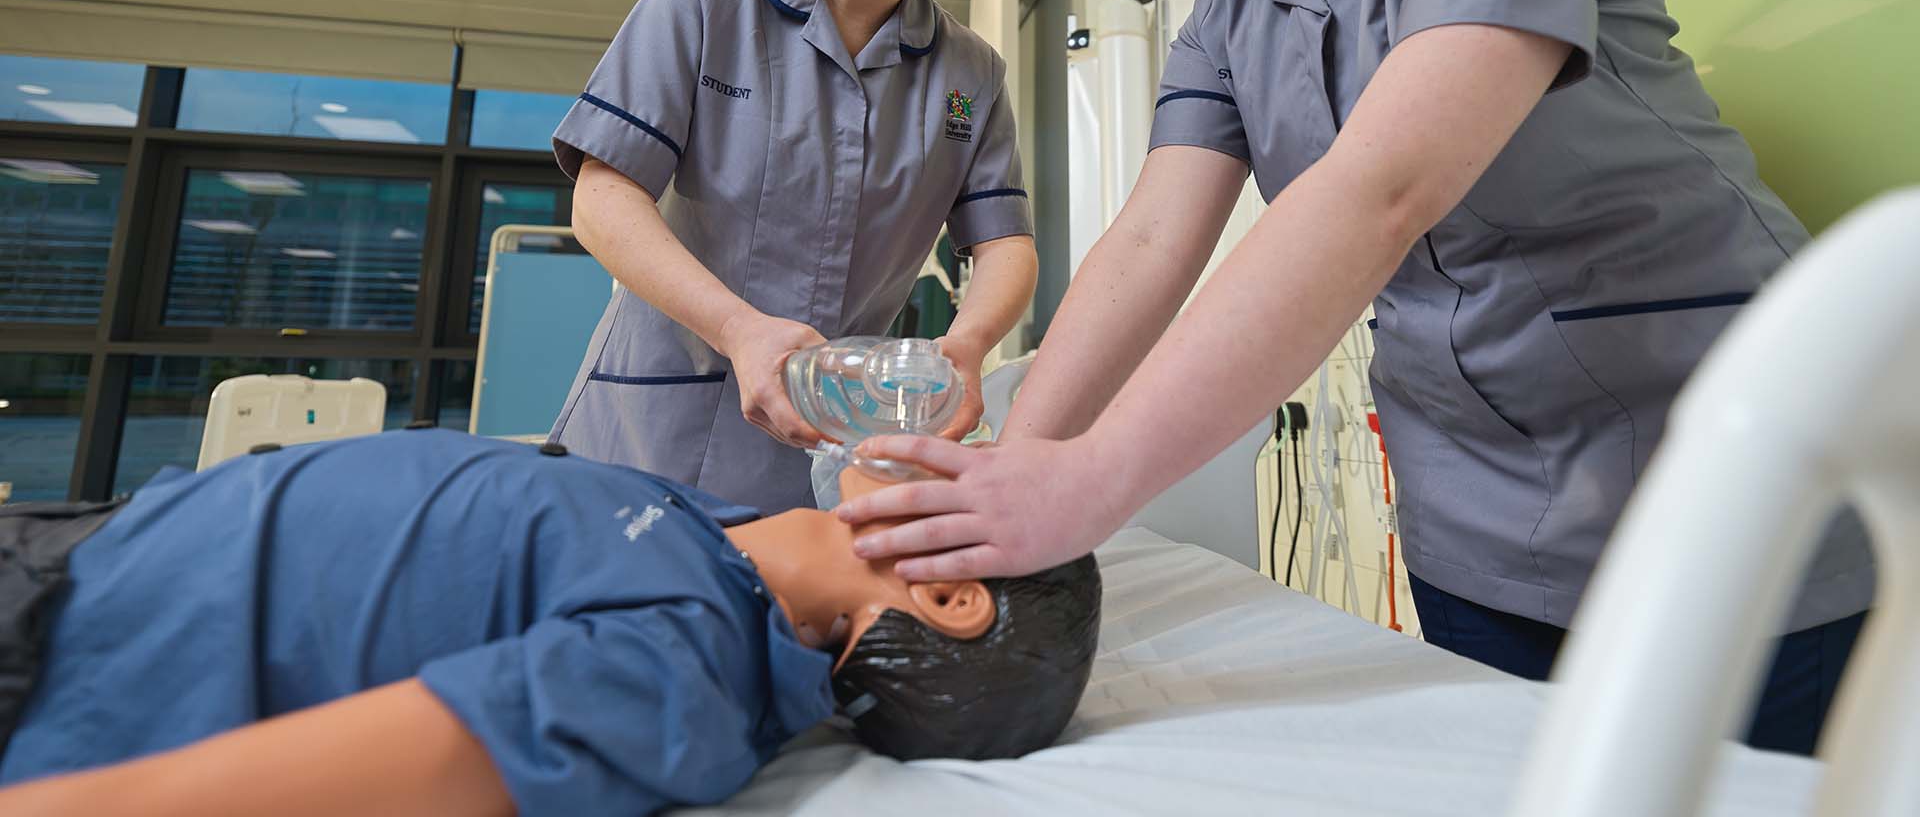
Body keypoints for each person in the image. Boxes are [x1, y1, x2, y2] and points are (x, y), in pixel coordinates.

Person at [835, 0, 1874, 754]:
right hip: (1471, 521)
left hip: (1713, 468)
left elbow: (1388, 183)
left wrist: (1097, 479)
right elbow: (1151, 237)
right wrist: (1010, 482)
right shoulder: (1230, 10)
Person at [0, 430, 1100, 813]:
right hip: (94, 542)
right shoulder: (711, 544)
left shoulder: (688, 669)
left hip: (56, 644)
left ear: (951, 594)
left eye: (986, 480)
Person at [549, 0, 1040, 514]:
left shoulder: (970, 75)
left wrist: (966, 348)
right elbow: (603, 199)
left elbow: (1005, 244)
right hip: (652, 427)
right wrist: (738, 330)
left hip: (825, 442)